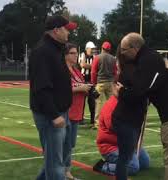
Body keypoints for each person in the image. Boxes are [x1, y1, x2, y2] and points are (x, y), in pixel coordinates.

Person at [117, 32, 168, 180]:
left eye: (124, 49)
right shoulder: (151, 57)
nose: (122, 53)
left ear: (134, 48)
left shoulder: (147, 60)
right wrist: (166, 70)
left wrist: (121, 91)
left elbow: (142, 90)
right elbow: (154, 82)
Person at [29, 15, 77, 180]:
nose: (68, 33)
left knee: (56, 159)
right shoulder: (43, 52)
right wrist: (54, 114)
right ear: (56, 30)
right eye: (66, 29)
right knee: (55, 164)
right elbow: (40, 88)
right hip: (51, 115)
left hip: (59, 112)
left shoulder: (55, 49)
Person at [94, 83, 150, 176]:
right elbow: (113, 127)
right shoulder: (111, 104)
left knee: (145, 163)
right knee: (133, 167)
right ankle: (103, 166)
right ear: (115, 88)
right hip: (111, 147)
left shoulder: (128, 103)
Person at [64, 43, 92, 180]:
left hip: (76, 113)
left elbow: (79, 84)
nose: (75, 55)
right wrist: (81, 88)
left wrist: (87, 88)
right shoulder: (63, 70)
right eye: (72, 53)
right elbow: (62, 89)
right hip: (67, 112)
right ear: (65, 55)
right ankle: (65, 172)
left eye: (76, 53)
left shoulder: (75, 70)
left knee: (70, 144)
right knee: (66, 144)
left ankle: (64, 171)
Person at [91, 41, 117, 128]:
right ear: (109, 50)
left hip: (100, 83)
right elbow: (115, 72)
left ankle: (98, 123)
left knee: (99, 103)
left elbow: (93, 72)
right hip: (110, 83)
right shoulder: (113, 59)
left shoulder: (97, 57)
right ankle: (112, 121)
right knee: (112, 103)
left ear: (102, 48)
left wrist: (94, 83)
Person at [79, 41, 97, 127]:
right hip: (83, 80)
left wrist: (90, 66)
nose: (93, 50)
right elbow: (82, 64)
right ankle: (80, 118)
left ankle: (93, 119)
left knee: (92, 101)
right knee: (82, 100)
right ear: (87, 49)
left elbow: (95, 66)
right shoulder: (83, 54)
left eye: (93, 49)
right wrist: (92, 66)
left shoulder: (94, 56)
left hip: (91, 80)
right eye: (91, 49)